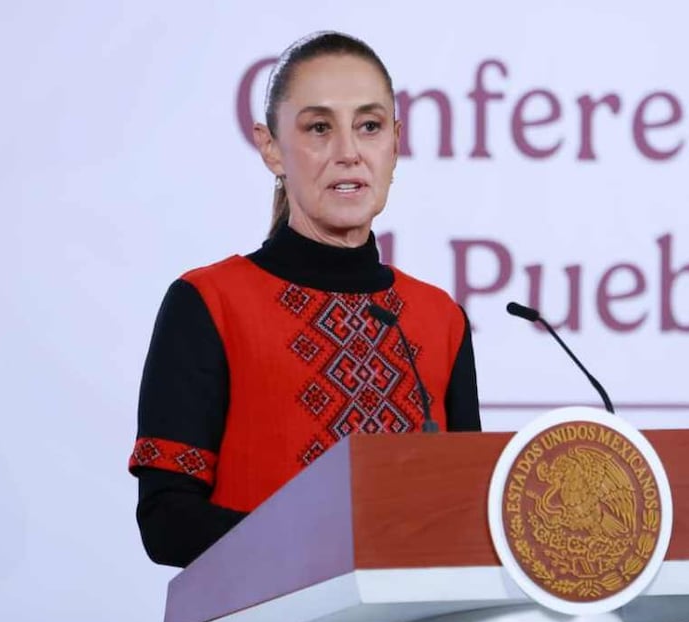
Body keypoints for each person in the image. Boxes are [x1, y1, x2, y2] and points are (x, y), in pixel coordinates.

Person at [128, 31, 481, 573]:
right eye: (319, 128)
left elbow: (464, 517)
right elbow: (167, 522)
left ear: (395, 144)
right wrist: (331, 549)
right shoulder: (209, 302)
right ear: (271, 148)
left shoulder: (441, 320)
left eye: (369, 126)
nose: (348, 153)